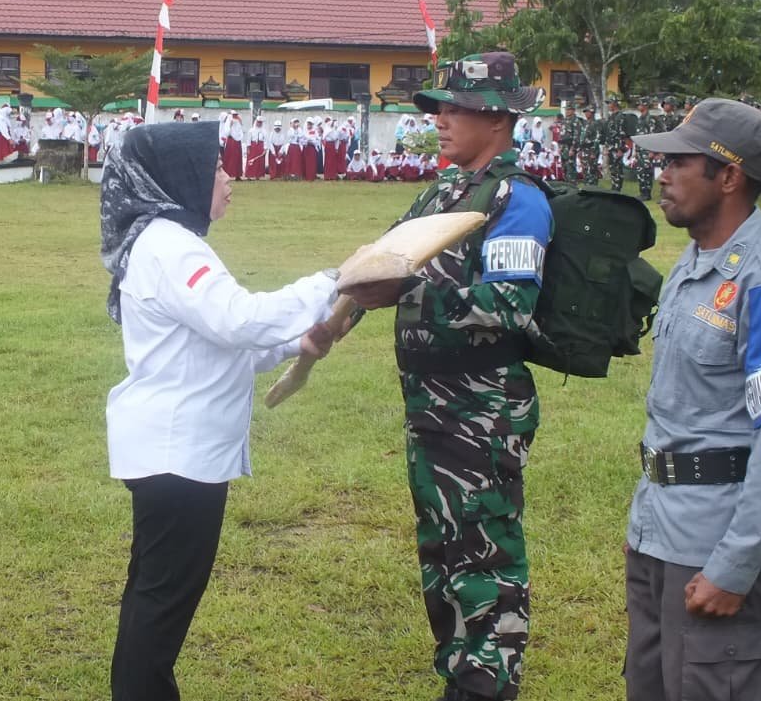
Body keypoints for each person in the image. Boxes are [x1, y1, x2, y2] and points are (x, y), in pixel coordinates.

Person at [99, 120, 337, 701]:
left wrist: (294, 344)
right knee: (160, 606)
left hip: (171, 449)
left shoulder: (165, 241)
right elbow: (237, 318)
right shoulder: (170, 246)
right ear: (180, 177)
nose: (230, 179)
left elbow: (217, 343)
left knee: (153, 598)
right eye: (217, 168)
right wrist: (332, 282)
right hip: (179, 455)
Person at [347, 52, 552, 701]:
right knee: (440, 550)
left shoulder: (518, 201)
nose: (439, 119)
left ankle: (489, 680)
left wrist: (415, 293)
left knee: (485, 548)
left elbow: (513, 306)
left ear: (496, 116)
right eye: (438, 106)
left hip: (482, 409)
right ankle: (459, 664)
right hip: (430, 407)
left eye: (454, 107)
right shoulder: (441, 193)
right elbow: (377, 266)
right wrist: (331, 318)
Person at [623, 97, 761, 701]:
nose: (661, 173)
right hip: (659, 531)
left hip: (713, 546)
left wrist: (736, 564)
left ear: (729, 176)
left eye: (679, 162)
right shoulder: (693, 265)